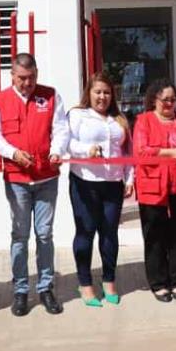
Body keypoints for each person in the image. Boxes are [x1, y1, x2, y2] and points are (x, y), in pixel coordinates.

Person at [0, 53, 69, 317]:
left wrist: (57, 150)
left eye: (32, 77)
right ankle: (21, 290)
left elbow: (61, 129)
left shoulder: (51, 96)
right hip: (17, 179)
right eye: (22, 78)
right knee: (20, 236)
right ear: (12, 76)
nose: (27, 83)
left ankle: (45, 288)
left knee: (44, 234)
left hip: (46, 177)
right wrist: (13, 154)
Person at [66, 73, 134, 307]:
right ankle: (85, 284)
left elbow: (126, 152)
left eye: (106, 92)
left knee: (109, 234)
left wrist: (129, 178)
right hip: (84, 182)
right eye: (98, 92)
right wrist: (87, 150)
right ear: (89, 93)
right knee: (85, 235)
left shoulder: (119, 119)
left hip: (113, 184)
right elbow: (67, 143)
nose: (102, 97)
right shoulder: (78, 115)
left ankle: (109, 281)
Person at [133, 78, 176, 302]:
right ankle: (158, 283)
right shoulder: (144, 121)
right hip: (153, 186)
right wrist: (168, 153)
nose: (169, 104)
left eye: (173, 99)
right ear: (154, 100)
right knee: (154, 236)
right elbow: (141, 150)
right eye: (165, 100)